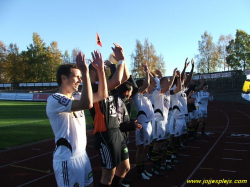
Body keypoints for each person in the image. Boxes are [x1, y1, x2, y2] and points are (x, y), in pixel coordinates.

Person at [46, 51, 107, 187]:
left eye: (81, 77)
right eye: (77, 77)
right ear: (64, 78)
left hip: (82, 156)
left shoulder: (77, 96)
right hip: (67, 160)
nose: (80, 80)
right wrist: (85, 73)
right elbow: (87, 104)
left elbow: (103, 94)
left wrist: (101, 70)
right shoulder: (55, 99)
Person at [89, 43, 130, 187]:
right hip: (105, 134)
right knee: (108, 175)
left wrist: (123, 59)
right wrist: (119, 62)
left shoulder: (105, 84)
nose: (104, 69)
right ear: (93, 73)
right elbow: (118, 80)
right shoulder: (93, 87)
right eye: (100, 68)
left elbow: (125, 77)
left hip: (116, 131)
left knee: (125, 167)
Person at [151, 68, 178, 175]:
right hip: (158, 122)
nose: (168, 85)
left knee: (162, 144)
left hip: (165, 121)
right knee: (157, 145)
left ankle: (159, 164)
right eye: (166, 83)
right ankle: (154, 167)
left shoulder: (167, 94)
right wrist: (173, 75)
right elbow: (168, 87)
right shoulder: (157, 92)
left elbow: (173, 88)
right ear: (162, 84)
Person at [132, 64, 156, 180]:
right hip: (142, 125)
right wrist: (146, 71)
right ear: (140, 87)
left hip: (148, 124)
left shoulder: (145, 95)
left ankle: (142, 170)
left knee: (145, 149)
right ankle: (139, 172)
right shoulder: (137, 95)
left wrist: (149, 72)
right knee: (141, 149)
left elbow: (153, 84)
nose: (147, 88)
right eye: (144, 87)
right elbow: (147, 84)